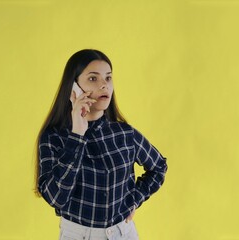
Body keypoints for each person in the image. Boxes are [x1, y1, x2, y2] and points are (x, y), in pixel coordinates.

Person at [34, 49, 168, 240]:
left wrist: (134, 200)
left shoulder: (125, 133)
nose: (104, 85)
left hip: (124, 234)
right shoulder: (54, 137)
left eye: (108, 78)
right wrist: (77, 135)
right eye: (93, 79)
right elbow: (57, 198)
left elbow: (159, 167)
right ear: (73, 88)